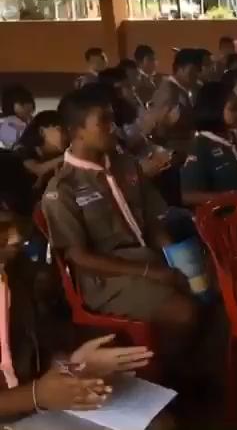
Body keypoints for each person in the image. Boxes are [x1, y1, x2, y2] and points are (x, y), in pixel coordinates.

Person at [42, 85, 199, 374]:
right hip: (105, 279)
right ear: (77, 131)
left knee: (206, 291)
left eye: (112, 119)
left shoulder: (126, 166)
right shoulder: (63, 188)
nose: (112, 128)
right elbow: (78, 256)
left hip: (145, 260)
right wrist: (151, 272)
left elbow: (153, 223)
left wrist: (175, 260)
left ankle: (181, 368)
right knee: (185, 312)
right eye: (102, 121)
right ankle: (169, 378)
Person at [0, 155, 160, 426]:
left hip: (26, 401)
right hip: (17, 407)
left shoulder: (16, 273)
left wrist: (73, 364)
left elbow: (26, 350)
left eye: (19, 223)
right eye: (2, 228)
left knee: (158, 423)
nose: (16, 239)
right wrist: (37, 396)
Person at [180, 81, 237, 207]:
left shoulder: (229, 138)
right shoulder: (201, 145)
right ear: (214, 109)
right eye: (234, 109)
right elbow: (188, 195)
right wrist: (225, 199)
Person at [149, 48, 201, 158]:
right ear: (180, 68)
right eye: (192, 70)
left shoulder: (182, 89)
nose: (196, 75)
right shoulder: (168, 90)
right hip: (175, 153)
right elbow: (159, 129)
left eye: (197, 70)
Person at [12, 110, 64, 203]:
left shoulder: (59, 154)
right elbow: (37, 169)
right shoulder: (22, 149)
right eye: (60, 129)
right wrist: (69, 156)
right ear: (42, 131)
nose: (66, 135)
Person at [0, 84, 35, 149]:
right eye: (22, 103)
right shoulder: (10, 121)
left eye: (29, 101)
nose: (27, 106)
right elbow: (11, 145)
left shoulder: (31, 120)